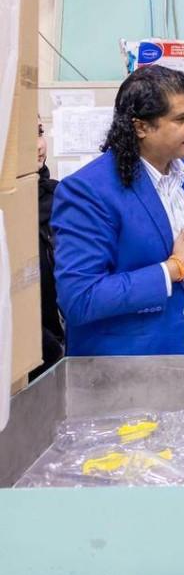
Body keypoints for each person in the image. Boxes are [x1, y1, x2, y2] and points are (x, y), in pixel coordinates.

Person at [51, 65, 184, 357]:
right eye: (181, 118)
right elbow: (80, 298)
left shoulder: (183, 169)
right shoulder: (88, 191)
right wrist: (173, 269)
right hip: (131, 370)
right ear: (141, 127)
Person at [30, 118, 64, 379]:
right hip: (31, 355)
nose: (39, 145)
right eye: (27, 136)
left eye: (39, 132)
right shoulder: (9, 211)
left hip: (62, 351)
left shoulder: (59, 197)